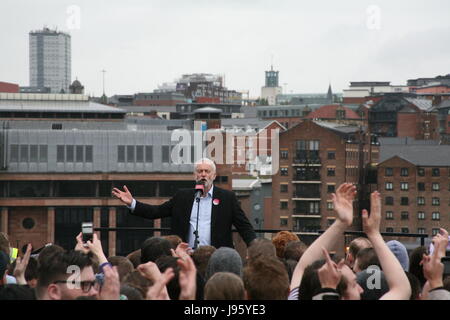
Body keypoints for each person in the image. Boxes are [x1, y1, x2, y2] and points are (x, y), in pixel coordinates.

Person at [112, 158, 256, 249]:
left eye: (207, 171)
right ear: (195, 176)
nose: (203, 174)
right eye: (200, 171)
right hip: (186, 255)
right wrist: (132, 203)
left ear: (214, 176)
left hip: (215, 255)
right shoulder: (182, 197)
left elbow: (244, 226)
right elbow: (156, 211)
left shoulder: (227, 198)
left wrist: (255, 248)